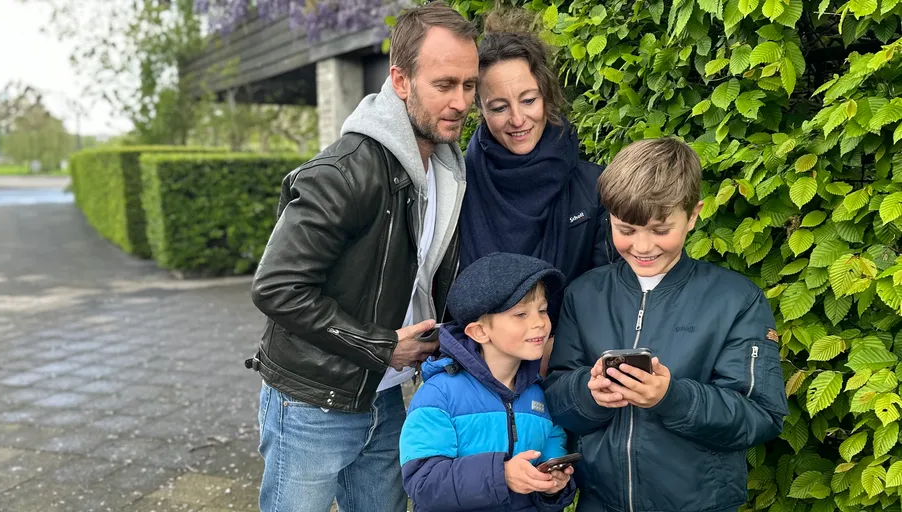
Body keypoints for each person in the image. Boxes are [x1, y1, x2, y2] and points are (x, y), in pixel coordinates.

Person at [245, 3, 479, 511]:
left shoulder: (446, 169)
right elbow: (276, 287)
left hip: (387, 396)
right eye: (444, 85)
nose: (461, 102)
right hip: (312, 402)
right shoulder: (345, 172)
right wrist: (379, 346)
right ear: (400, 79)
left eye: (469, 85)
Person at [543, 138, 788, 512]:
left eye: (660, 230)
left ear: (693, 215)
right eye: (625, 229)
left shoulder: (736, 299)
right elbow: (556, 399)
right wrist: (589, 394)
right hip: (599, 503)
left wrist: (670, 398)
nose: (642, 246)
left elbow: (761, 416)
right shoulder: (584, 294)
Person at [458, 14, 616, 375]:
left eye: (529, 100)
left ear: (546, 95)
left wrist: (559, 347)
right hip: (478, 374)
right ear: (480, 109)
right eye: (499, 107)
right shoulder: (457, 185)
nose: (517, 119)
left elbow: (606, 290)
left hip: (567, 369)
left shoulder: (593, 188)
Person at [400, 252, 576, 511]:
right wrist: (500, 475)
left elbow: (552, 458)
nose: (539, 323)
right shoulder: (439, 395)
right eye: (520, 314)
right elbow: (423, 483)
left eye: (542, 310)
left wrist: (553, 485)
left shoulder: (538, 395)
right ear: (479, 332)